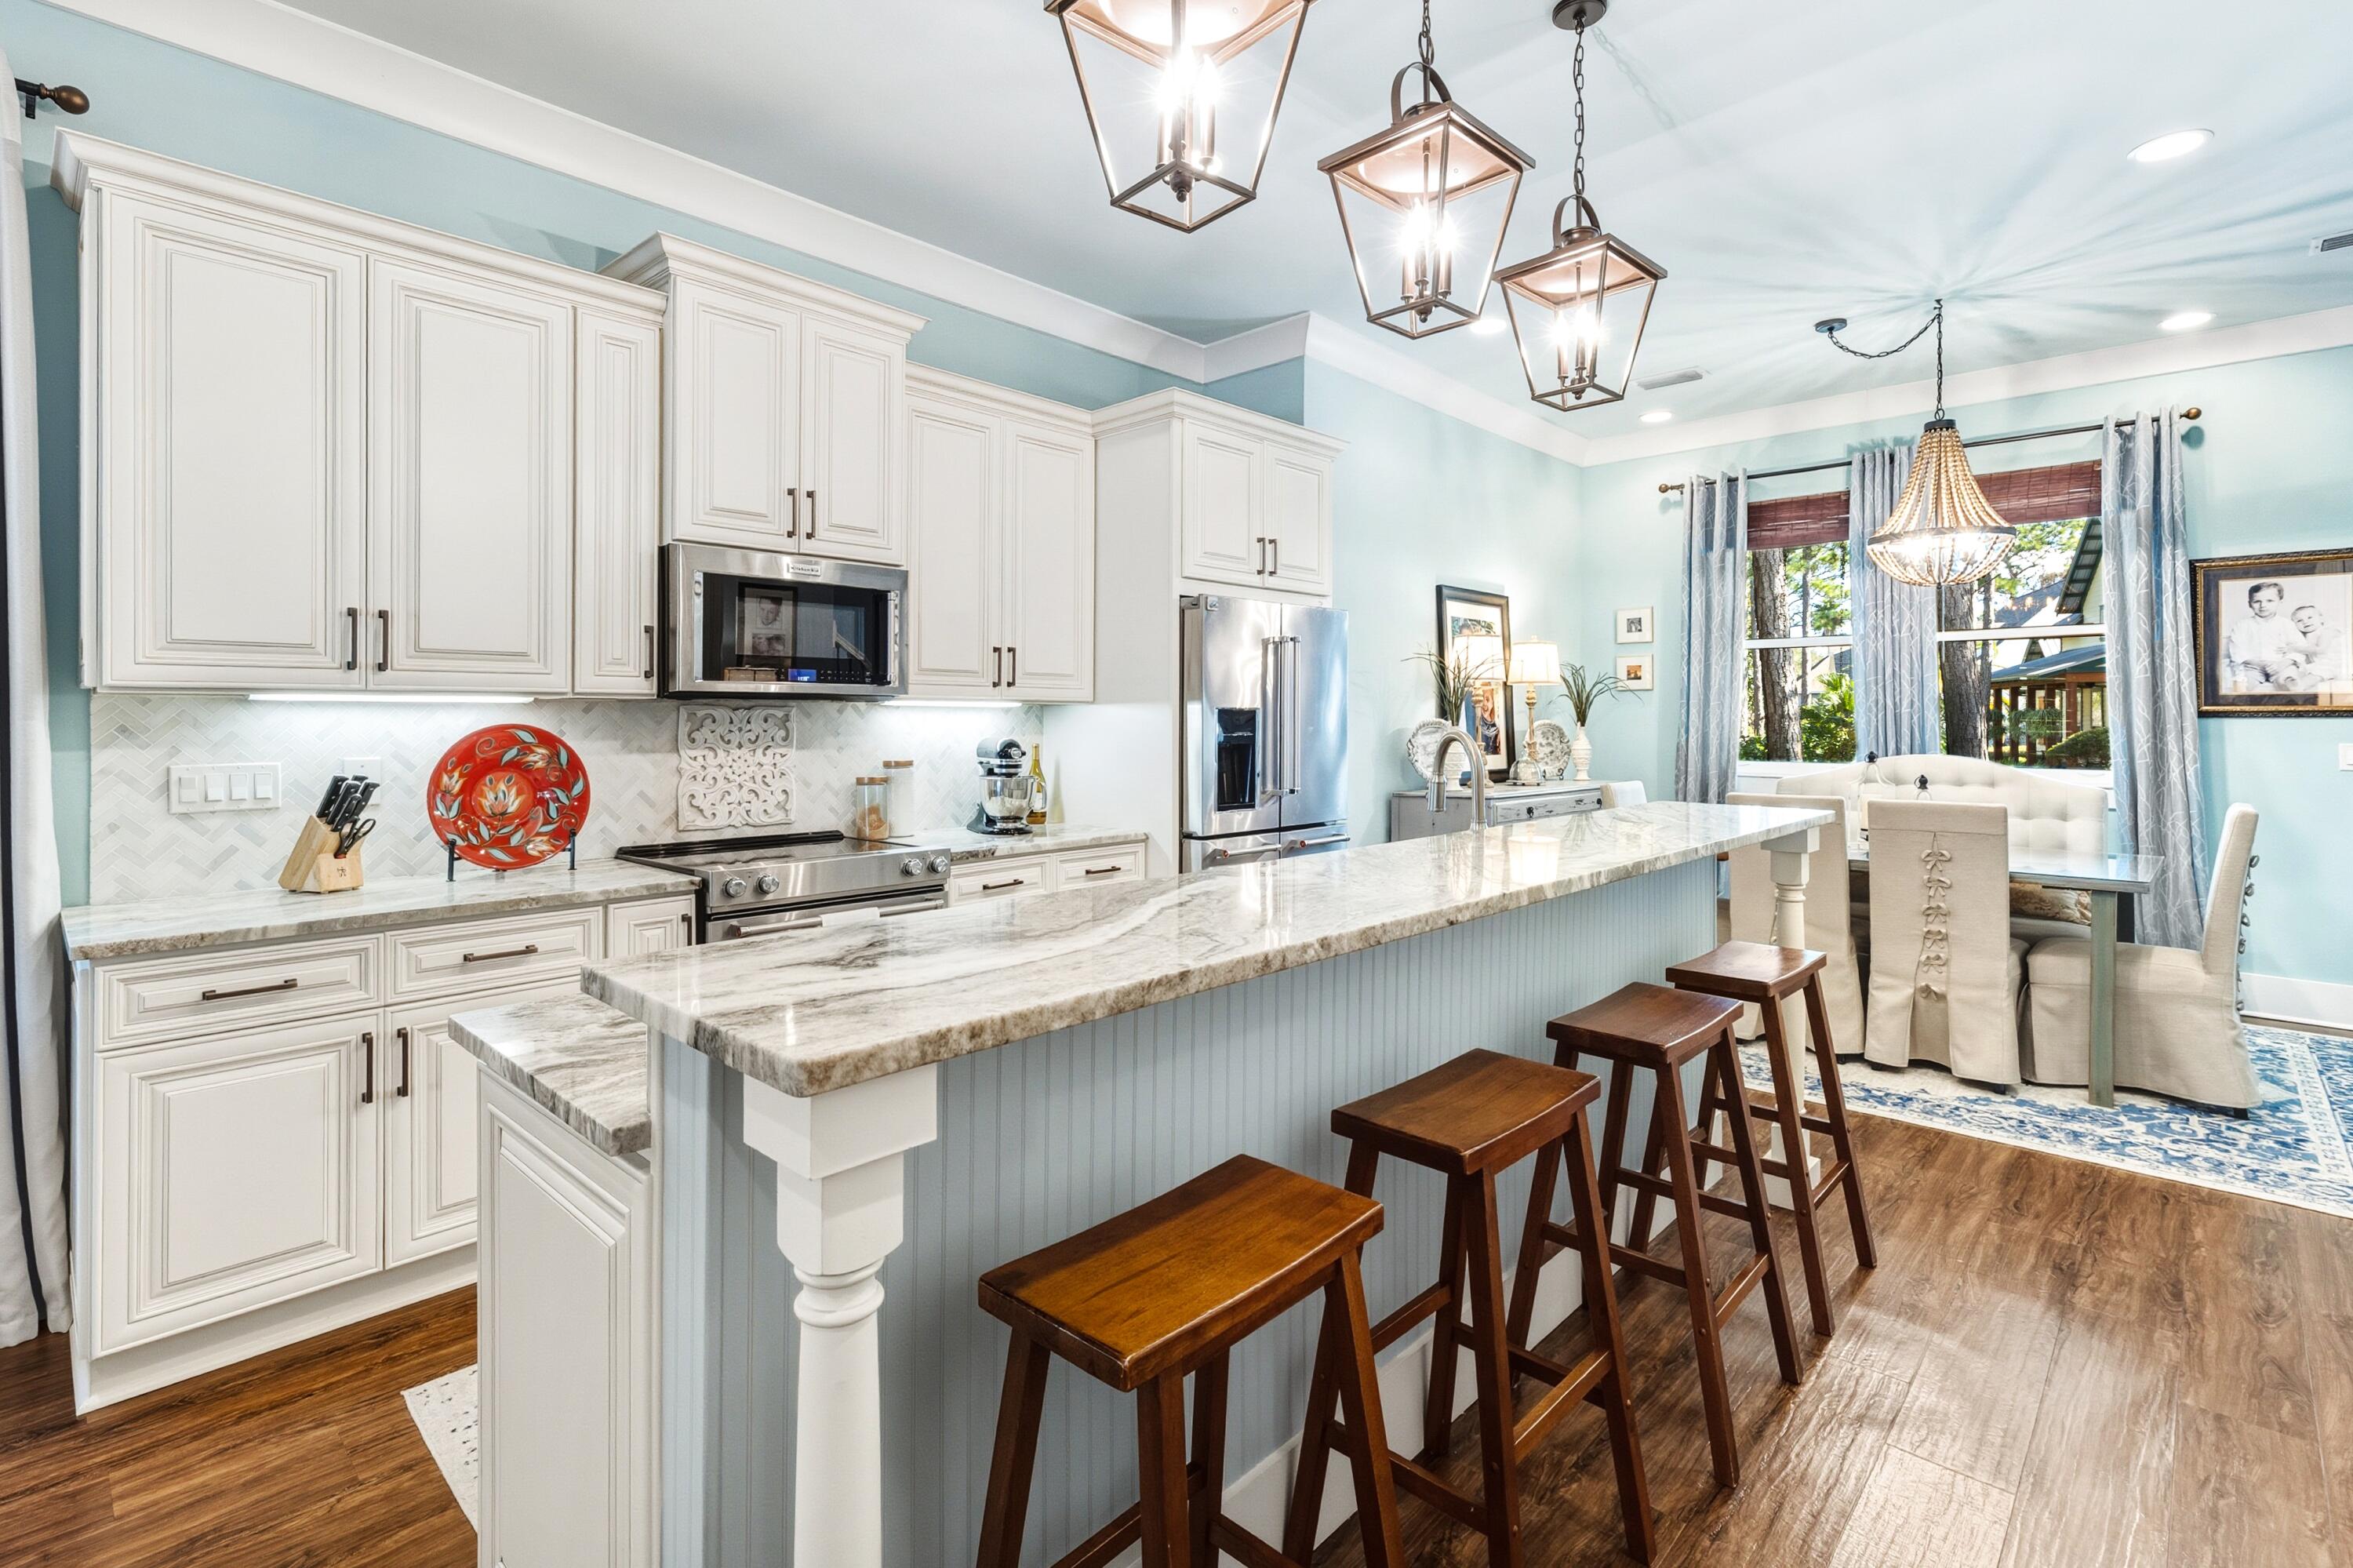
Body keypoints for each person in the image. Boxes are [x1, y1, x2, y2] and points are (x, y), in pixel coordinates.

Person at [2224, 580, 2300, 691]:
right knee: (2242, 685)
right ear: (2250, 604)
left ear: (2280, 602)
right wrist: (2258, 664)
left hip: (2281, 665)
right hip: (2252, 666)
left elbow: (2299, 648)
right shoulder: (2242, 625)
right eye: (2257, 601)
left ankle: (2290, 686)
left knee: (2289, 680)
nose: (2263, 606)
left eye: (2270, 601)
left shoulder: (2287, 624)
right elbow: (2237, 650)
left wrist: (2283, 664)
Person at [2279, 602, 2346, 692]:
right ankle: (2290, 681)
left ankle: (2301, 686)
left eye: (2310, 618)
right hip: (2318, 664)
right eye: (2299, 621)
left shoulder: (2327, 631)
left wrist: (2295, 648)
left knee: (2317, 673)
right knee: (2300, 669)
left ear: (2321, 618)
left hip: (2332, 664)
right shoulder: (2304, 636)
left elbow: (2321, 649)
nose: (2305, 622)